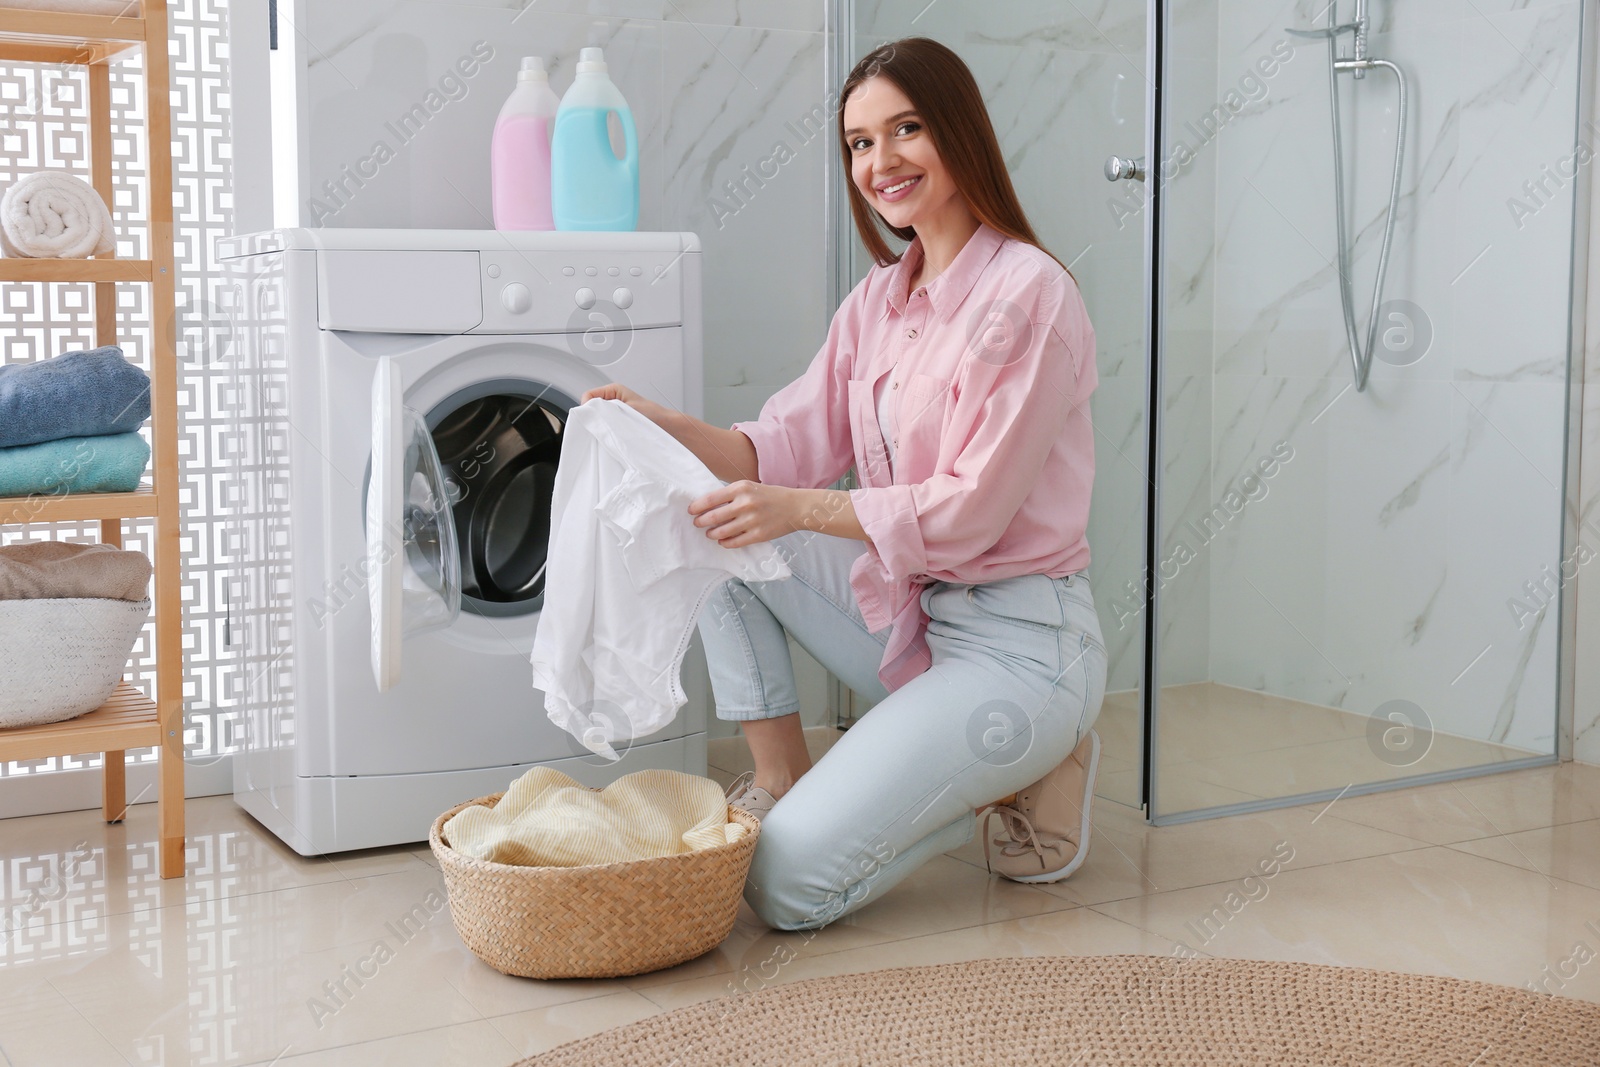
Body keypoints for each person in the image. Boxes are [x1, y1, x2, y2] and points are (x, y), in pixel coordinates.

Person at [579, 37, 1106, 932]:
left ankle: (1009, 770)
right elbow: (781, 444)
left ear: (960, 132)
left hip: (1021, 647)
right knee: (705, 511)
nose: (881, 161)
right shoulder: (878, 302)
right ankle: (783, 777)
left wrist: (801, 509)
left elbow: (972, 511)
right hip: (915, 619)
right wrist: (664, 427)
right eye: (860, 143)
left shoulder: (1030, 295)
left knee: (783, 886)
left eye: (906, 129)